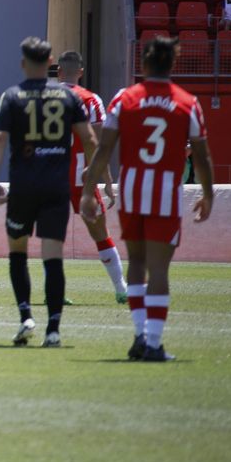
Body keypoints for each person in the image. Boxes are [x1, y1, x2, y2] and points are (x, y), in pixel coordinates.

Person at [80, 36, 215, 361]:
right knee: (159, 270)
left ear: (144, 64)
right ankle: (153, 344)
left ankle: (140, 337)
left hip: (130, 191)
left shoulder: (123, 99)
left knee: (137, 264)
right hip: (164, 194)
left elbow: (104, 149)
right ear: (172, 64)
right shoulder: (187, 103)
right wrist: (208, 194)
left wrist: (88, 191)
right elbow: (202, 156)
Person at [0, 37, 95, 347]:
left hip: (23, 187)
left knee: (18, 253)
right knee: (53, 258)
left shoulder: (12, 96)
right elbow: (90, 139)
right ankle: (54, 330)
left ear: (23, 63)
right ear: (52, 64)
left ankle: (25, 317)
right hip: (56, 188)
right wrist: (91, 170)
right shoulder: (66, 96)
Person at [54, 50, 129, 304]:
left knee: (53, 235)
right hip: (80, 177)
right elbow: (96, 144)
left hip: (50, 176)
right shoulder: (91, 99)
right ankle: (121, 288)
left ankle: (55, 292)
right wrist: (106, 180)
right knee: (100, 232)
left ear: (59, 72)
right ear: (81, 72)